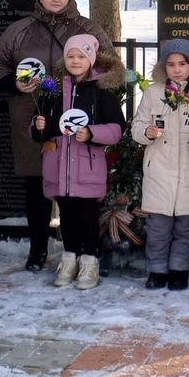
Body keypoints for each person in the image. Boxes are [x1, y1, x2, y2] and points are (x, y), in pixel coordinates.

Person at [0, 0, 112, 272]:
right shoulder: (20, 30)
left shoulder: (87, 28)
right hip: (33, 113)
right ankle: (38, 248)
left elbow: (108, 63)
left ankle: (81, 251)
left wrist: (93, 93)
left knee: (76, 188)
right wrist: (16, 83)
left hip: (77, 118)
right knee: (36, 183)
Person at [31, 34, 126, 290]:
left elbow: (117, 128)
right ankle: (69, 258)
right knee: (67, 216)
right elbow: (42, 127)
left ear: (91, 60)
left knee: (87, 216)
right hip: (59, 166)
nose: (75, 61)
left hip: (88, 166)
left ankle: (90, 261)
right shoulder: (53, 89)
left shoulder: (100, 91)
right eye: (70, 56)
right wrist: (39, 126)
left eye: (81, 56)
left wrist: (92, 133)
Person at [130, 38, 189, 292]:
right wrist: (146, 131)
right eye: (171, 64)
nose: (177, 69)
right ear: (163, 67)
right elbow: (136, 126)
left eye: (182, 63)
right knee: (158, 228)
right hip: (160, 171)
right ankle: (157, 270)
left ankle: (179, 269)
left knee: (186, 228)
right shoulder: (154, 92)